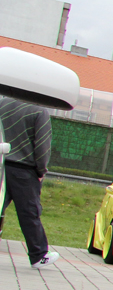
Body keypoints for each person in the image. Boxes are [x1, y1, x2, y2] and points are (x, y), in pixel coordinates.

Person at [0, 93, 58, 267]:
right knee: (29, 213)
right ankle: (38, 255)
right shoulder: (39, 111)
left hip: (1, 163)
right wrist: (41, 170)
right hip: (24, 170)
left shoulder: (2, 103)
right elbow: (42, 146)